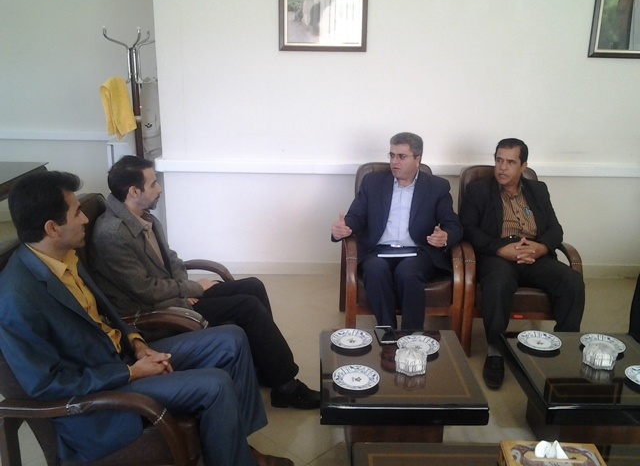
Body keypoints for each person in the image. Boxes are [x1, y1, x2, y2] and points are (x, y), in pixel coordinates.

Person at [0, 171, 292, 466]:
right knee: (215, 384)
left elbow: (105, 313)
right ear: (52, 228)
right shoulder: (17, 297)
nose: (85, 219)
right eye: (77, 213)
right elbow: (46, 385)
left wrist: (137, 342)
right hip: (104, 391)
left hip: (123, 355)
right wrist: (131, 372)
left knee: (232, 338)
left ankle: (236, 447)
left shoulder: (64, 255)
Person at [90, 156, 319, 410]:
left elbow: (171, 259)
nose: (160, 188)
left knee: (253, 285)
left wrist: (183, 288)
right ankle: (286, 387)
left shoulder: (144, 218)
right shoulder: (113, 235)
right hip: (153, 312)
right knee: (248, 307)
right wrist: (192, 289)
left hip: (173, 297)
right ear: (134, 191)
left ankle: (266, 368)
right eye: (153, 183)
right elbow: (144, 290)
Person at [459, 138, 585, 390]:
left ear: (523, 166)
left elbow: (555, 229)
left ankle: (566, 347)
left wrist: (541, 248)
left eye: (510, 162)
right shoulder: (478, 190)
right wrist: (499, 248)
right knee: (497, 283)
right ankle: (495, 351)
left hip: (534, 255)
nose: (502, 167)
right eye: (499, 160)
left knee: (572, 281)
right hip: (498, 256)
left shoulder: (538, 190)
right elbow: (468, 229)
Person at [331, 132, 463, 329]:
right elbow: (356, 217)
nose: (394, 161)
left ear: (417, 159)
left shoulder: (436, 187)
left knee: (408, 273)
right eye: (392, 155)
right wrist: (342, 228)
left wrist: (445, 236)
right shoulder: (372, 182)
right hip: (378, 250)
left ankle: (411, 336)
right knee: (375, 271)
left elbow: (453, 224)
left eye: (401, 156)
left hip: (418, 252)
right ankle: (388, 333)